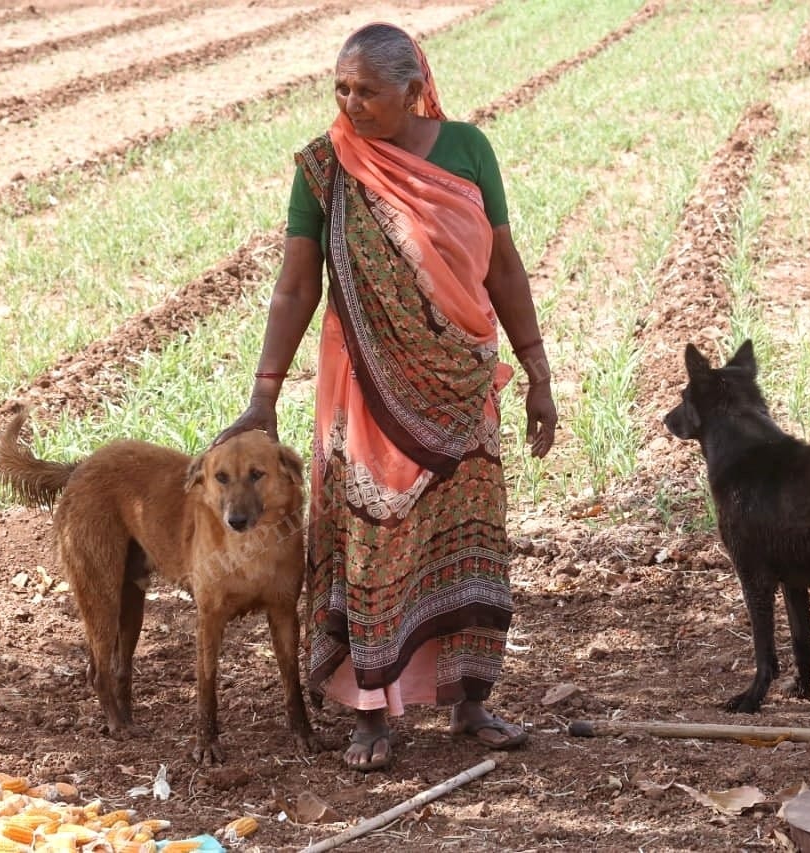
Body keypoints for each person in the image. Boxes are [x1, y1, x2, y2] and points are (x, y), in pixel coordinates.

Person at [213, 21, 557, 772]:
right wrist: (263, 394)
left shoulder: (468, 150)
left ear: (412, 90)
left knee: (467, 533)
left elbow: (504, 269)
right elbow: (297, 284)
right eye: (340, 87)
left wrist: (536, 369)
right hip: (363, 386)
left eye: (366, 90)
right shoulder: (325, 167)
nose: (350, 102)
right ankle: (371, 709)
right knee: (372, 539)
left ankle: (469, 698)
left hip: (462, 381)